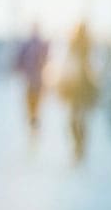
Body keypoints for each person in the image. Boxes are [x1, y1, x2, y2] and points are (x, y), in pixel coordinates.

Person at [58, 22, 99, 163]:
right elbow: (67, 66)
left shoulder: (88, 46)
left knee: (78, 120)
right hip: (77, 89)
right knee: (76, 121)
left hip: (82, 89)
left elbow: (94, 69)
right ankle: (79, 146)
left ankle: (79, 147)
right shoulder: (75, 46)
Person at [13, 24, 50, 131]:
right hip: (33, 80)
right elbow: (19, 60)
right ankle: (33, 121)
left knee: (33, 103)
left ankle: (33, 121)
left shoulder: (33, 44)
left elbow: (46, 58)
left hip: (34, 80)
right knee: (33, 103)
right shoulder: (30, 45)